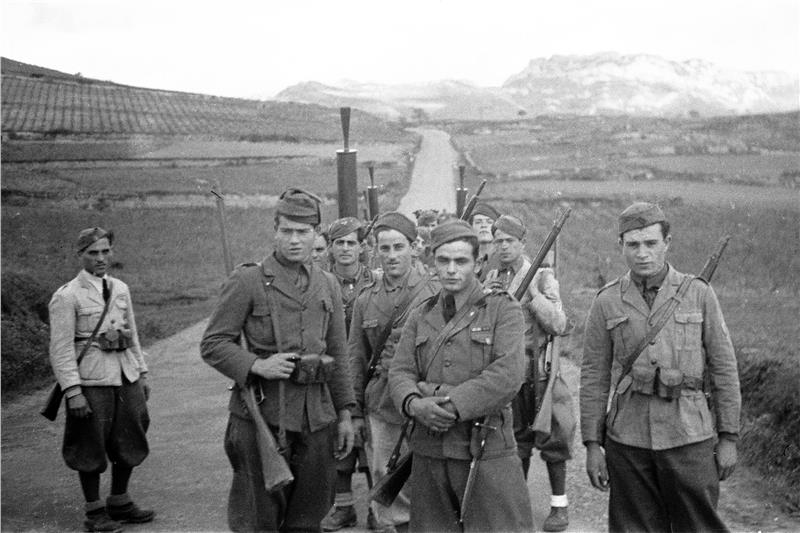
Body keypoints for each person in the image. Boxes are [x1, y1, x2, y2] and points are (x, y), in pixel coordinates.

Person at [200, 188, 356, 532]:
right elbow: (213, 344)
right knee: (258, 519)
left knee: (308, 517)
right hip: (262, 417)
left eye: (303, 232)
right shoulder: (248, 281)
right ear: (275, 230)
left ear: (317, 233)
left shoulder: (328, 284)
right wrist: (257, 365)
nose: (294, 240)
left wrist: (345, 413)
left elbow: (338, 353)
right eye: (287, 231)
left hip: (316, 419)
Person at [580, 202, 741, 533]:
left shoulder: (698, 294)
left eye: (651, 243)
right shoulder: (606, 301)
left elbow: (724, 368)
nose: (642, 253)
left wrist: (728, 436)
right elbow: (594, 376)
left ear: (667, 242)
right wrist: (592, 445)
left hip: (689, 435)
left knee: (699, 527)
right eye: (633, 244)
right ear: (620, 245)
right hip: (628, 439)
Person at [388, 220, 534, 532]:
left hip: (485, 448)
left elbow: (507, 376)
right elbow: (400, 371)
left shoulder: (502, 310)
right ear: (432, 262)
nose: (451, 269)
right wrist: (414, 404)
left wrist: (447, 405)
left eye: (461, 261)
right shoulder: (421, 314)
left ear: (478, 264)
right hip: (429, 450)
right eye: (443, 260)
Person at [47, 227, 154, 533]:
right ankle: (94, 512)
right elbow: (61, 349)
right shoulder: (67, 295)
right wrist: (73, 391)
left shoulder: (120, 288)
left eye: (106, 251)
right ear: (80, 255)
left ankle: (120, 501)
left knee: (132, 435)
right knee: (89, 442)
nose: (100, 258)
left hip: (125, 374)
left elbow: (132, 333)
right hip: (91, 379)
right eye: (93, 252)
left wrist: (142, 372)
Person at [348, 212, 439, 533]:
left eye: (398, 247)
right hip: (384, 405)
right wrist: (354, 413)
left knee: (432, 482)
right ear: (375, 251)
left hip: (427, 402)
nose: (391, 255)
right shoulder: (365, 300)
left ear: (413, 247)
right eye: (384, 248)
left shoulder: (435, 291)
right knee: (390, 483)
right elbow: (356, 359)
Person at [484, 215, 574, 532]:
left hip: (538, 370)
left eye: (510, 241)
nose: (503, 246)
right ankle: (517, 504)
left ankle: (559, 505)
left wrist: (534, 295)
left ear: (522, 243)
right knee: (513, 439)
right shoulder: (491, 276)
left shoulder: (542, 277)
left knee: (554, 435)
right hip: (506, 371)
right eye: (498, 241)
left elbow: (559, 324)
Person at [322, 216, 378, 532]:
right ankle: (343, 507)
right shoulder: (321, 281)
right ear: (330, 248)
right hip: (333, 372)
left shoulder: (375, 281)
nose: (345, 248)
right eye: (339, 243)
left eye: (351, 243)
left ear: (361, 247)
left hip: (367, 368)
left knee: (369, 440)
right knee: (337, 440)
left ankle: (375, 507)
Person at [468, 201, 500, 281]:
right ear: (471, 228)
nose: (483, 226)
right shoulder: (466, 258)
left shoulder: (504, 257)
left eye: (489, 222)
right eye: (478, 222)